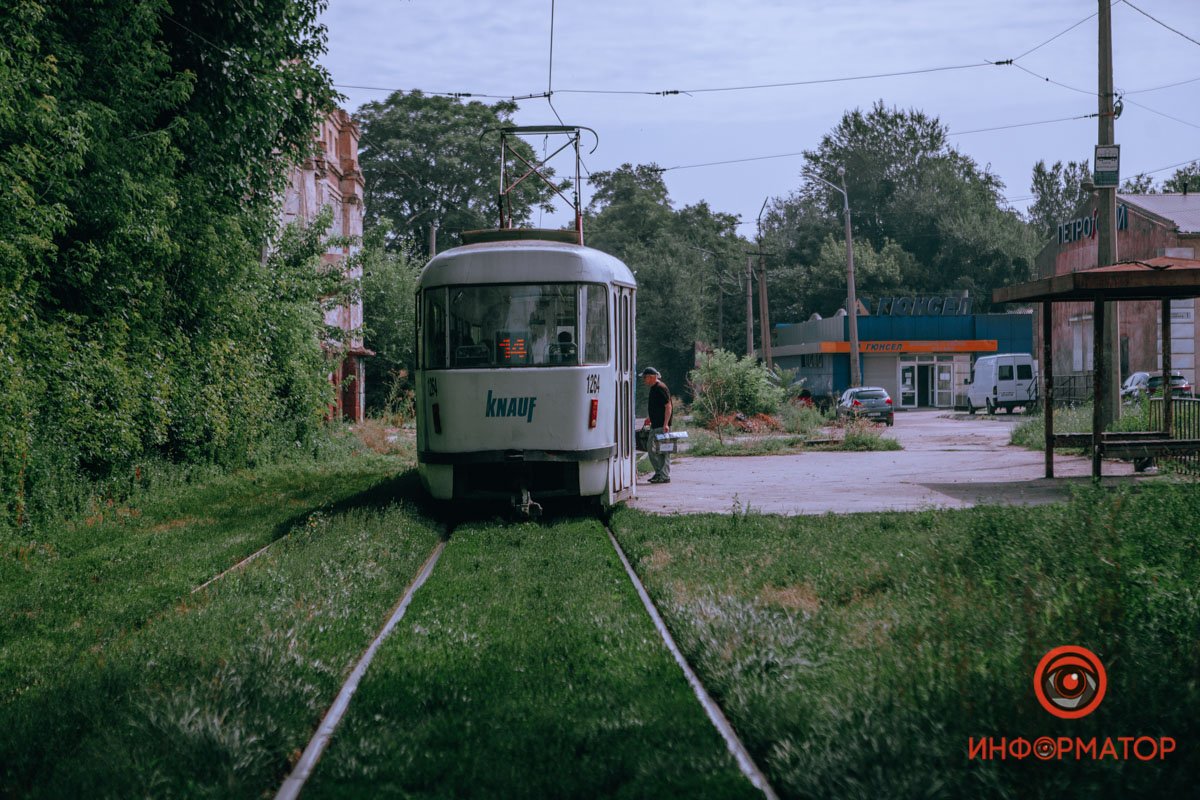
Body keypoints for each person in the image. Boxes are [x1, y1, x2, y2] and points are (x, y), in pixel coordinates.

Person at [641, 366, 672, 484]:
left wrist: (666, 424)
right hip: (655, 424)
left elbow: (668, 406)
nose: (644, 380)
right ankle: (659, 473)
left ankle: (664, 475)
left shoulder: (660, 388)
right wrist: (650, 418)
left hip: (662, 425)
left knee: (664, 451)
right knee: (651, 449)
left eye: (645, 377)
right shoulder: (654, 388)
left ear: (651, 377)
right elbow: (657, 406)